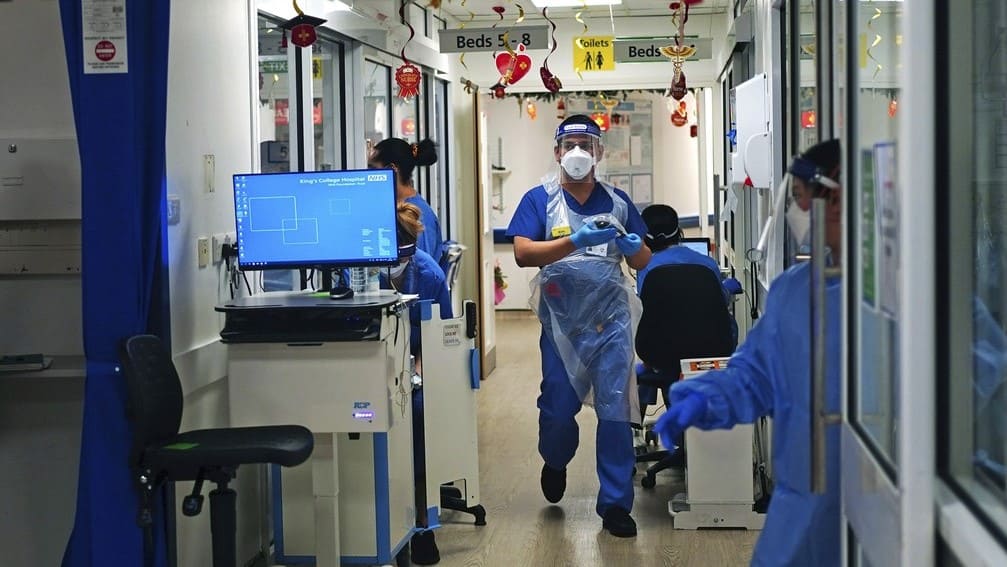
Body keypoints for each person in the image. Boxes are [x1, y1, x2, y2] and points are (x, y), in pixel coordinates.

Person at [654, 139, 842, 566]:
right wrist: (705, 396)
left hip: (882, 510)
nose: (794, 214)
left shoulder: (912, 296)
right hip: (800, 511)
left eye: (799, 200)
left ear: (839, 198)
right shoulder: (796, 292)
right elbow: (755, 374)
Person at [506, 114, 652, 537]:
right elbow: (522, 253)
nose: (578, 152)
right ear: (556, 152)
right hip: (561, 325)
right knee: (557, 408)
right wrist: (576, 241)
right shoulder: (540, 199)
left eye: (586, 145)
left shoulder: (618, 201)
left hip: (611, 322)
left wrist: (632, 247)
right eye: (570, 144)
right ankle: (555, 459)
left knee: (616, 411)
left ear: (600, 153)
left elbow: (643, 262)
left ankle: (615, 505)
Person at [384, 202, 452, 565]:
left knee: (418, 413)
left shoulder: (428, 276)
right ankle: (380, 521)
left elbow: (441, 339)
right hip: (372, 367)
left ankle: (422, 523)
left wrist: (418, 372)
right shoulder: (358, 272)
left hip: (416, 365)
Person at [369, 138, 445, 264]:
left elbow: (420, 273)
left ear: (391, 169)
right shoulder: (395, 207)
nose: (368, 175)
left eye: (372, 169)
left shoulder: (418, 216)